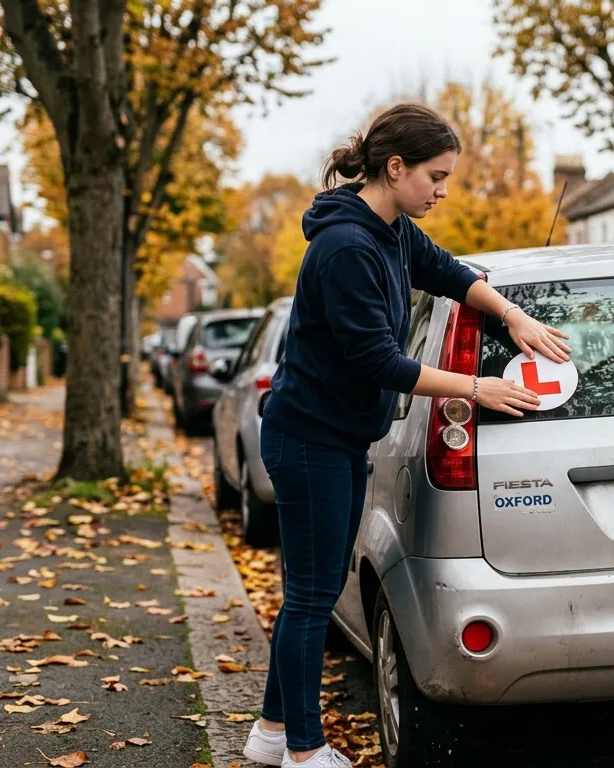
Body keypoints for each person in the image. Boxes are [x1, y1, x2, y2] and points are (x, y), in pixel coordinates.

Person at [242, 103, 571, 768]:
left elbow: (449, 272)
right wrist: (477, 387)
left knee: (314, 589)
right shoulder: (346, 248)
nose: (442, 191)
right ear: (395, 168)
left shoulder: (391, 230)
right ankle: (303, 752)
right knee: (311, 597)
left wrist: (513, 315)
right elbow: (378, 362)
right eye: (436, 176)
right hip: (308, 439)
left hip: (338, 436)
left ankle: (272, 734)